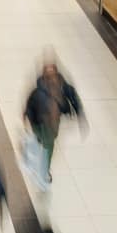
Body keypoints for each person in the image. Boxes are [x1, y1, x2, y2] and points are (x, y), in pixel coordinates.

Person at [23, 55, 85, 191]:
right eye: (48, 72)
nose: (51, 76)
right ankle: (44, 171)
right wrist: (26, 117)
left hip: (53, 124)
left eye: (53, 72)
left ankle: (38, 147)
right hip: (40, 123)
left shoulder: (62, 85)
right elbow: (30, 104)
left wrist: (80, 114)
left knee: (48, 140)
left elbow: (73, 97)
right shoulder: (38, 90)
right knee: (48, 147)